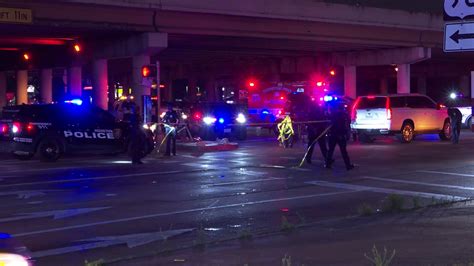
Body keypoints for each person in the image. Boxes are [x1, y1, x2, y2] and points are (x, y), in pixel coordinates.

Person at [325, 102, 354, 170]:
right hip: (339, 134)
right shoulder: (343, 114)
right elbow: (346, 124)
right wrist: (346, 133)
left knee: (331, 150)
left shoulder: (333, 114)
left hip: (333, 135)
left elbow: (329, 122)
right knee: (343, 151)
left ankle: (328, 164)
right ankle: (348, 165)